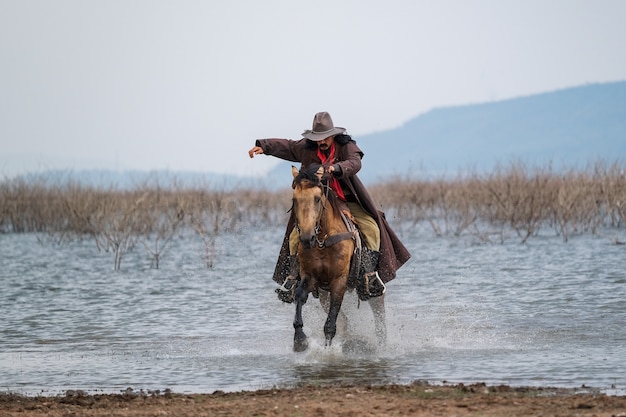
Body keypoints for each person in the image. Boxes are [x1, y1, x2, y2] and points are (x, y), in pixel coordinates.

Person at [248, 111, 410, 302]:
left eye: (324, 137)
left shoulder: (346, 146)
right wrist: (264, 146)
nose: (321, 141)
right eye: (317, 138)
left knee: (372, 228)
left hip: (346, 199)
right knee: (294, 236)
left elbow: (355, 162)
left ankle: (369, 275)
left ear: (332, 135)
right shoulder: (307, 148)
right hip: (318, 201)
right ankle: (292, 279)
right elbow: (289, 146)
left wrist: (336, 168)